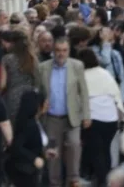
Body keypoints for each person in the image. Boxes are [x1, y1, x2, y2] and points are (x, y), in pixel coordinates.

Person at [38, 36, 91, 187]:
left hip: (72, 117)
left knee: (74, 147)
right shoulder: (43, 67)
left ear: (69, 51)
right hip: (51, 118)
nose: (61, 54)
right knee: (53, 155)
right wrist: (40, 108)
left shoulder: (77, 66)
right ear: (53, 51)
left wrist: (86, 115)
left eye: (64, 50)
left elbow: (84, 92)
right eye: (58, 50)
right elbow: (38, 91)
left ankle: (73, 181)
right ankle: (55, 183)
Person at [80, 49, 124, 187]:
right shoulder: (105, 74)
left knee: (97, 152)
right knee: (105, 150)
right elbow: (117, 95)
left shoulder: (82, 76)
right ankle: (105, 180)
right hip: (110, 119)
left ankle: (102, 181)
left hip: (93, 118)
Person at [6, 90, 51, 187]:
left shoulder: (34, 121)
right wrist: (34, 158)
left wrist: (44, 153)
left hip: (33, 171)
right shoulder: (29, 125)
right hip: (27, 173)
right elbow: (17, 147)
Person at [0, 29, 40, 123]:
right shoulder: (32, 58)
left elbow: (2, 84)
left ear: (12, 43)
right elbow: (37, 80)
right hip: (30, 96)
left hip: (12, 97)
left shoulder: (6, 59)